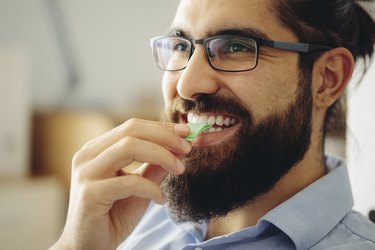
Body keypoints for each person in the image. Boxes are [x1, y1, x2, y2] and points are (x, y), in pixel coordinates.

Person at [51, 0, 375, 249]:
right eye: (181, 46)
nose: (186, 85)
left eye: (236, 47)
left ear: (326, 79)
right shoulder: (131, 220)